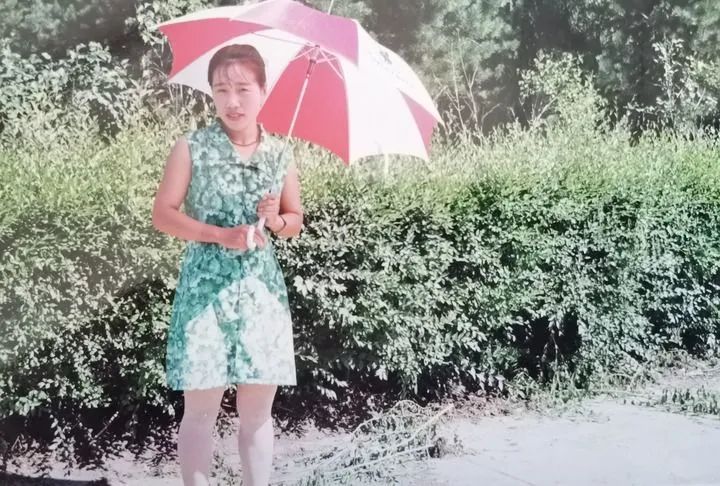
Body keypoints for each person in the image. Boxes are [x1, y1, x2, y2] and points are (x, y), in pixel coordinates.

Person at [151, 44, 303, 486]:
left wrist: (275, 218)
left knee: (256, 414)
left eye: (242, 89)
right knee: (200, 413)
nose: (232, 101)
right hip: (204, 292)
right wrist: (220, 235)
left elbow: (294, 221)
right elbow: (163, 215)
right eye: (221, 90)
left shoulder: (280, 154)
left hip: (260, 293)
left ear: (263, 91)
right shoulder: (191, 147)